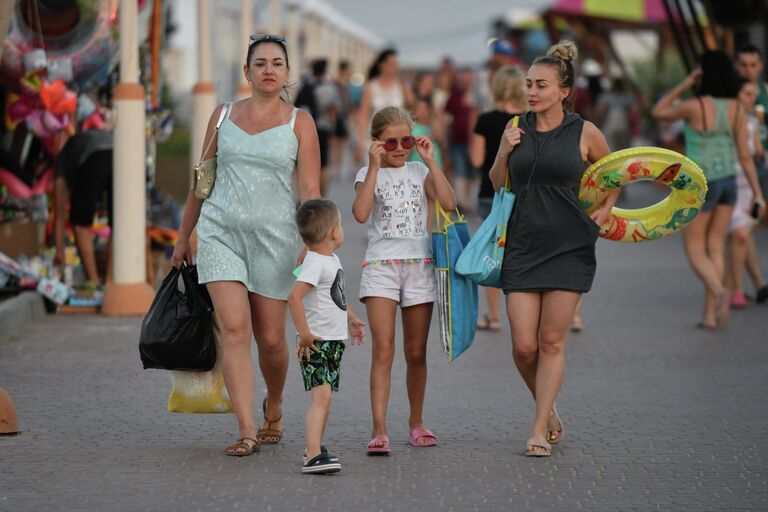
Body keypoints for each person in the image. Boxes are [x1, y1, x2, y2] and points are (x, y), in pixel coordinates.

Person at [170, 34, 321, 456]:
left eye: (276, 63)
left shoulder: (300, 122)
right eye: (260, 63)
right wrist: (184, 236)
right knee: (235, 330)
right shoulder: (222, 116)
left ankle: (273, 406)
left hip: (275, 241)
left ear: (287, 72)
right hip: (220, 234)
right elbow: (203, 180)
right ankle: (246, 430)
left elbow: (310, 188)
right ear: (247, 72)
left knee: (272, 340)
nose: (269, 69)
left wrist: (313, 242)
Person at [489, 41, 617, 457]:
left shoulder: (585, 131)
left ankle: (538, 428)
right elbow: (496, 181)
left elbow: (615, 174)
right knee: (523, 347)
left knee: (551, 342)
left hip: (569, 246)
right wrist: (505, 150)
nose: (532, 92)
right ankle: (550, 411)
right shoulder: (515, 126)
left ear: (563, 91)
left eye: (541, 85)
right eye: (528, 84)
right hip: (523, 245)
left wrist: (606, 211)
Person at [352, 106, 456, 455]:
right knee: (383, 349)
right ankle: (379, 429)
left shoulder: (417, 169)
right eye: (391, 142)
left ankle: (416, 422)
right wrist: (373, 167)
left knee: (416, 352)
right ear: (377, 143)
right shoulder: (368, 172)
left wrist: (430, 161)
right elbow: (361, 213)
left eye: (406, 140)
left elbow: (449, 201)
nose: (399, 148)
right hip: (381, 265)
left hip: (419, 266)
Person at [652, 51, 766, 329]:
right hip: (728, 182)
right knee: (715, 246)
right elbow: (745, 156)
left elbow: (658, 111)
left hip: (699, 184)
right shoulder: (737, 109)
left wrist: (685, 82)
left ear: (703, 74)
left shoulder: (695, 106)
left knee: (694, 249)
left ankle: (719, 291)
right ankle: (709, 315)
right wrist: (758, 194)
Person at [288, 199, 366, 474]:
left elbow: (337, 296)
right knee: (322, 397)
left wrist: (351, 317)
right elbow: (294, 298)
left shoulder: (331, 260)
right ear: (334, 232)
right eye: (341, 225)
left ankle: (316, 446)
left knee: (326, 397)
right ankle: (311, 455)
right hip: (316, 344)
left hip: (333, 342)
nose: (343, 230)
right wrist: (305, 335)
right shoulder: (314, 263)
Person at [469, 65, 527, 331]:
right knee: (521, 252)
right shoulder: (529, 121)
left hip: (490, 193)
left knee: (491, 253)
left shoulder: (486, 119)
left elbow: (477, 159)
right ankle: (524, 314)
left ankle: (493, 316)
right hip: (523, 194)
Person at [53, 119, 113, 288]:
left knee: (80, 223)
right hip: (122, 153)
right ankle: (110, 282)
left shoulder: (61, 162)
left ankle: (93, 282)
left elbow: (59, 215)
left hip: (95, 157)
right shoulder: (79, 142)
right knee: (119, 224)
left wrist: (59, 252)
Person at [726, 79, 767, 307]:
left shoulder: (753, 122)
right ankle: (733, 289)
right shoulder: (725, 121)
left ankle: (734, 290)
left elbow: (758, 154)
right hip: (727, 184)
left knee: (740, 237)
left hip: (749, 189)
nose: (752, 99)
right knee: (737, 236)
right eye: (747, 94)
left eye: (755, 95)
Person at [356, 49, 414, 162]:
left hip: (397, 141)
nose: (394, 67)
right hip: (375, 138)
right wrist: (360, 141)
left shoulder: (402, 86)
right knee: (374, 172)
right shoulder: (371, 86)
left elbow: (412, 110)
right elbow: (363, 115)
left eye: (396, 64)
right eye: (391, 64)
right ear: (381, 65)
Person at [295, 59, 340, 196]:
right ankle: (321, 197)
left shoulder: (304, 85)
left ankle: (303, 195)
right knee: (323, 164)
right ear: (325, 70)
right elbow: (335, 109)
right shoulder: (328, 88)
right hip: (323, 128)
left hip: (304, 128)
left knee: (303, 162)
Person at [445, 68, 478, 211]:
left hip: (476, 140)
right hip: (458, 140)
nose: (466, 82)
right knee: (459, 169)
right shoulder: (454, 96)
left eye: (468, 79)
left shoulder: (478, 96)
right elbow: (446, 116)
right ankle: (461, 202)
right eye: (463, 79)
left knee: (474, 170)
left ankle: (470, 200)